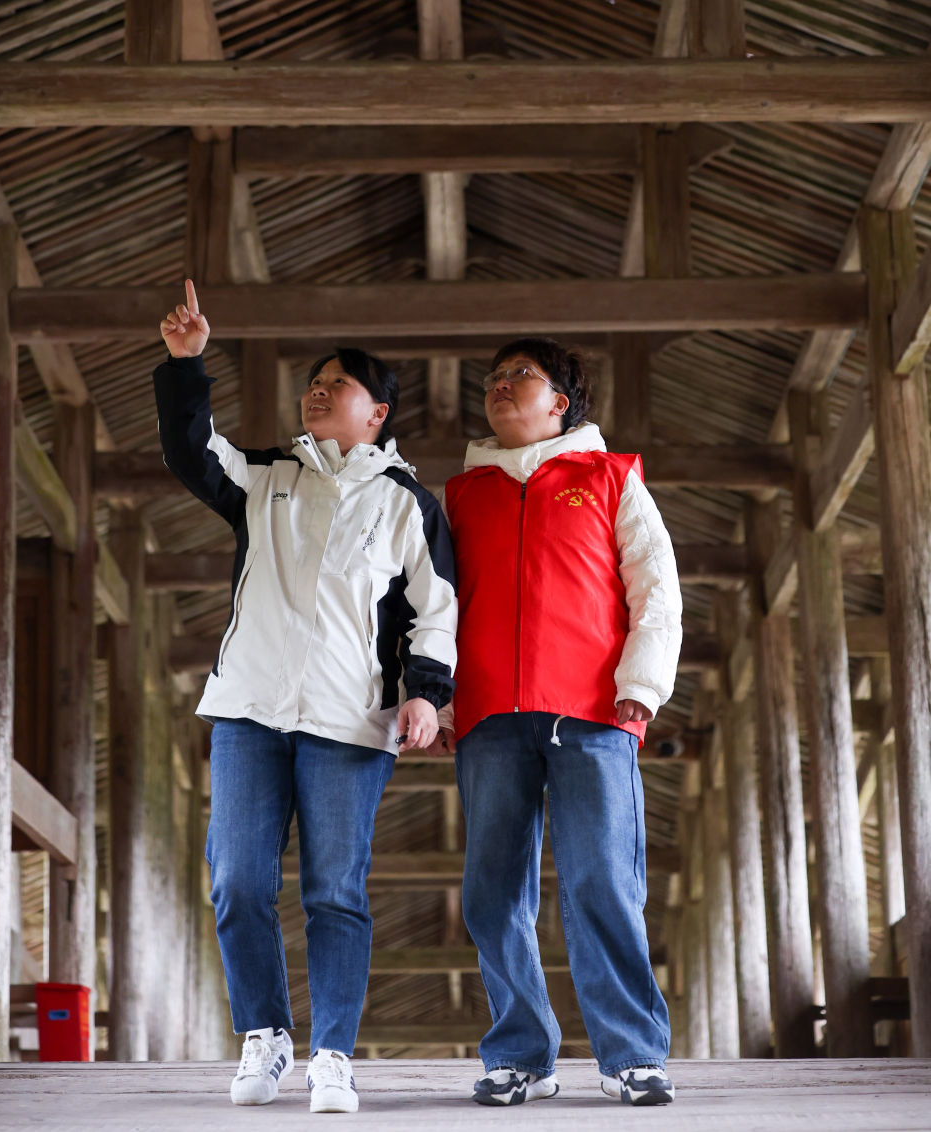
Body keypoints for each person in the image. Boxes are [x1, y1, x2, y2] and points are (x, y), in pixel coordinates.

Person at [155, 280, 457, 1112]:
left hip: (349, 724)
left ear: (379, 413)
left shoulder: (408, 506)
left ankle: (333, 1054)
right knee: (236, 882)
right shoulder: (265, 476)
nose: (317, 392)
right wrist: (186, 366)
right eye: (313, 383)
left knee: (333, 892)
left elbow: (437, 611)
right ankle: (265, 1034)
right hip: (249, 712)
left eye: (338, 384)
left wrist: (427, 695)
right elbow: (191, 452)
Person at [440, 337, 682, 1109]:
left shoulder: (610, 478)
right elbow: (434, 606)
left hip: (593, 713)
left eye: (523, 375)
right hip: (488, 715)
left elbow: (656, 588)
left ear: (561, 403)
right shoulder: (460, 495)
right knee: (492, 891)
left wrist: (642, 683)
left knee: (602, 879)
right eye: (494, 375)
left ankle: (632, 1054)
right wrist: (440, 699)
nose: (501, 384)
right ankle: (520, 1055)